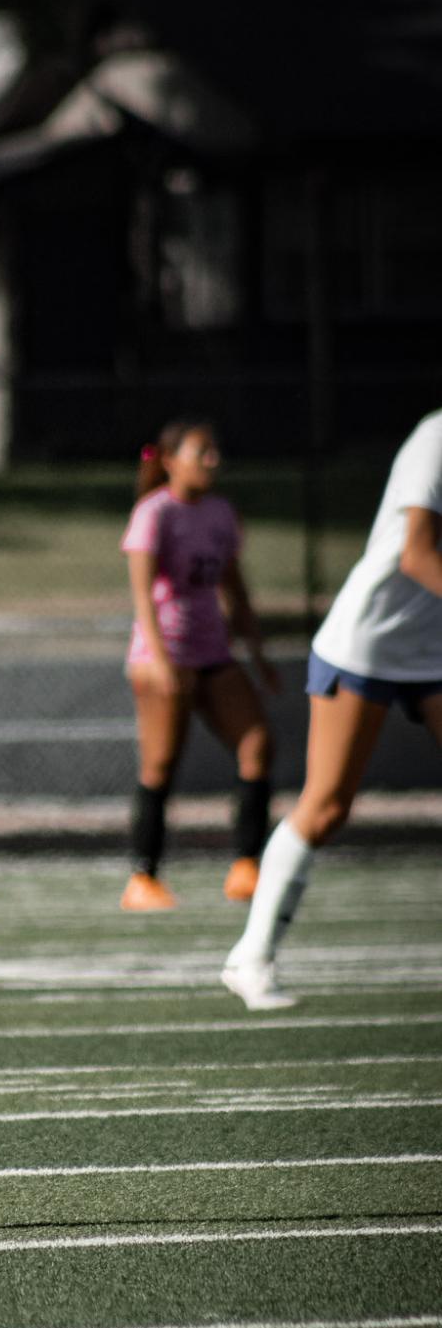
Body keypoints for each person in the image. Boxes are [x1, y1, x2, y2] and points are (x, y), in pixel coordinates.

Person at [223, 409, 442, 1009]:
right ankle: (251, 957)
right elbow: (418, 555)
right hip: (368, 642)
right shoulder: (435, 436)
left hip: (435, 648)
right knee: (326, 807)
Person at [119, 419, 281, 912]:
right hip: (163, 655)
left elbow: (235, 588)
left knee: (258, 744)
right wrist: (162, 661)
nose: (212, 461)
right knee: (161, 764)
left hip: (213, 653)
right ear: (170, 460)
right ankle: (143, 878)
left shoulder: (220, 512)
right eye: (201, 453)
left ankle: (247, 867)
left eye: (215, 453)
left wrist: (256, 652)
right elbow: (143, 596)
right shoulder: (155, 512)